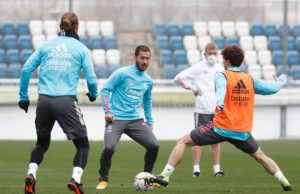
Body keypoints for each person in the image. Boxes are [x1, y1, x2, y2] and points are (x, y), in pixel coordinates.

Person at [153, 45, 292, 191]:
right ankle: (284, 181)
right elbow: (271, 89)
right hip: (242, 132)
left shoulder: (222, 75)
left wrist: (219, 103)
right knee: (261, 156)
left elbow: (221, 89)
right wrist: (282, 79)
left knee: (183, 141)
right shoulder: (249, 79)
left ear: (226, 60)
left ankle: (165, 175)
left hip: (221, 128)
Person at [19, 12, 98, 194]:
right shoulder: (81, 49)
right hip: (65, 101)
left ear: (60, 27)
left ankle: (31, 174)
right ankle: (76, 180)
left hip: (44, 101)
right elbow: (91, 78)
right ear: (77, 27)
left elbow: (26, 69)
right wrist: (93, 94)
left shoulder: (46, 46)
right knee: (83, 145)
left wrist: (23, 97)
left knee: (42, 143)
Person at [96, 45, 159, 190]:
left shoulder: (148, 81)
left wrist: (150, 121)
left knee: (154, 145)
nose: (145, 61)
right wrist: (107, 112)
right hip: (116, 119)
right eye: (142, 58)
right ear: (135, 57)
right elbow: (105, 90)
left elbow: (147, 101)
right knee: (109, 148)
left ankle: (147, 177)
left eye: (147, 58)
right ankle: (103, 179)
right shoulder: (122, 73)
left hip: (135, 120)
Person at [174, 43, 225, 177]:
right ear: (205, 54)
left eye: (214, 53)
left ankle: (217, 170)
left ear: (218, 54)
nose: (212, 56)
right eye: (210, 53)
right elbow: (178, 78)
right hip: (202, 109)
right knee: (196, 140)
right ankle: (196, 170)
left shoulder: (221, 69)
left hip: (217, 110)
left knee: (216, 140)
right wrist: (194, 89)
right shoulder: (198, 67)